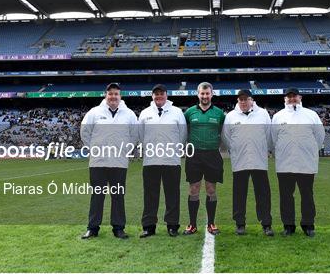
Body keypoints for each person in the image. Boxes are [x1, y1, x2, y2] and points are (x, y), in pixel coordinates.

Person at [80, 83, 138, 239]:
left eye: (116, 94)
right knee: (97, 195)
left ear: (120, 96)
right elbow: (84, 131)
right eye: (110, 93)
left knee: (118, 196)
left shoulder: (129, 114)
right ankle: (92, 228)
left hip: (119, 162)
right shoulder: (94, 112)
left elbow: (134, 135)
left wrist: (125, 150)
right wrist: (93, 148)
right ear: (105, 95)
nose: (113, 96)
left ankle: (118, 228)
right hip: (98, 162)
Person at [271, 87, 325, 237]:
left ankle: (308, 225)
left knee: (307, 195)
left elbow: (320, 137)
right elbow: (272, 139)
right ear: (284, 99)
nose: (292, 99)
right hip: (284, 164)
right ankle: (288, 226)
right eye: (289, 97)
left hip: (306, 163)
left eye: (294, 96)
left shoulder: (311, 115)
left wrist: (310, 151)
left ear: (300, 98)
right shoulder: (278, 117)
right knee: (286, 196)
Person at [222, 89, 274, 236]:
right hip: (240, 161)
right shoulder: (231, 116)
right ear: (238, 101)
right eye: (240, 100)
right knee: (239, 194)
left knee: (263, 193)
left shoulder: (263, 113)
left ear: (251, 100)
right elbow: (226, 138)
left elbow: (269, 135)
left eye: (246, 99)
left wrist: (266, 150)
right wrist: (236, 150)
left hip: (259, 161)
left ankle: (266, 224)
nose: (243, 102)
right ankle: (240, 224)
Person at [138, 84, 187, 238]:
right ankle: (149, 226)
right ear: (152, 96)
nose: (159, 96)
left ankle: (172, 225)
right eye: (156, 94)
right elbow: (140, 135)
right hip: (150, 160)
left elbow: (183, 135)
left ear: (166, 94)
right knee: (150, 195)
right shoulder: (145, 113)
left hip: (171, 160)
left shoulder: (177, 112)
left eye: (161, 94)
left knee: (172, 194)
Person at [183, 82, 225, 236]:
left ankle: (211, 223)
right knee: (193, 189)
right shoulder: (189, 113)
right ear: (198, 94)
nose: (205, 96)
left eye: (207, 94)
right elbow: (184, 132)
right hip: (194, 155)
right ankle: (192, 224)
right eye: (202, 93)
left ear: (212, 94)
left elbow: (223, 134)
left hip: (212, 155)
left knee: (211, 189)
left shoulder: (220, 114)